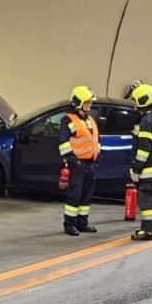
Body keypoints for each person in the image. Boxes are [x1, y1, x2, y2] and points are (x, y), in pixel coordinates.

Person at [58, 85, 101, 236]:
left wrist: (97, 154)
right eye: (87, 103)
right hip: (78, 164)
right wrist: (73, 161)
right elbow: (63, 143)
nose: (90, 105)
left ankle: (82, 223)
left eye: (90, 103)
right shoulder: (68, 120)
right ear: (78, 103)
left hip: (90, 164)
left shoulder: (90, 120)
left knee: (87, 195)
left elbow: (95, 140)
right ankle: (69, 225)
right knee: (74, 195)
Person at [129, 83, 152, 241]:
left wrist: (137, 168)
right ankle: (151, 227)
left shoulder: (146, 121)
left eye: (136, 100)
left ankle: (148, 231)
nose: (134, 104)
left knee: (145, 199)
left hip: (148, 168)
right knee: (151, 197)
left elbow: (144, 148)